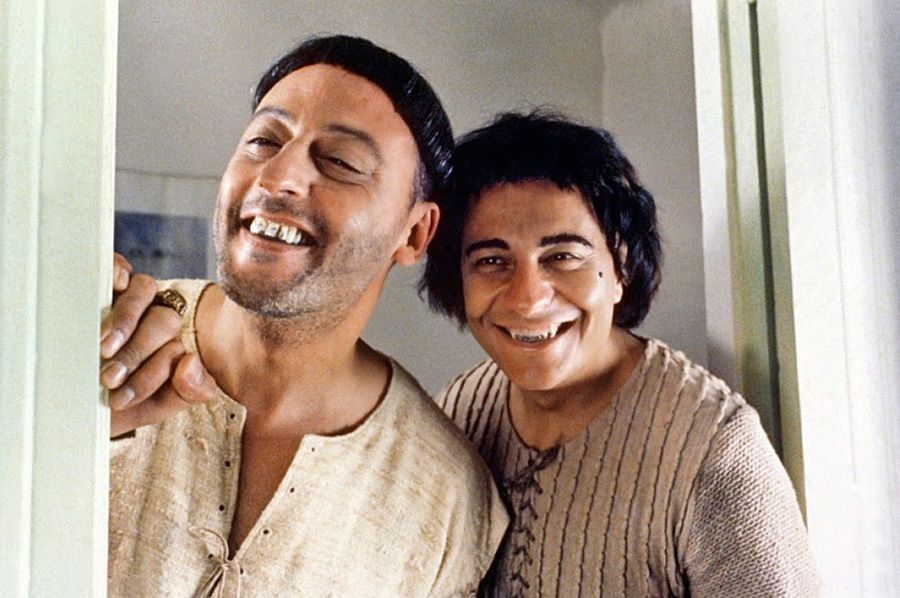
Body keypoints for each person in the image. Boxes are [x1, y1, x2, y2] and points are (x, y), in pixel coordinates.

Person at [99, 35, 506, 597]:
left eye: (340, 162)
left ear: (415, 233)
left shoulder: (448, 501)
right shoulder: (99, 342)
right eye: (263, 141)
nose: (276, 176)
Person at [420, 111, 821, 596]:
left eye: (562, 256)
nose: (528, 298)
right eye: (492, 261)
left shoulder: (712, 449)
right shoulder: (458, 412)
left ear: (621, 268)